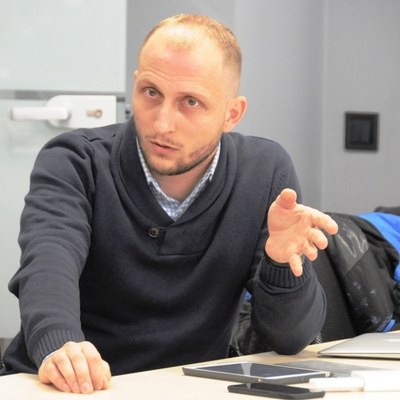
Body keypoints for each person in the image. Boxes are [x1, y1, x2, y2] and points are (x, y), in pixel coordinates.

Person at [0, 14, 338, 394]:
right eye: (151, 92)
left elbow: (291, 339)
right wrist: (59, 344)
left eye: (190, 102)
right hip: (63, 386)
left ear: (232, 114)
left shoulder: (265, 173)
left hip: (184, 390)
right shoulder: (74, 160)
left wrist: (281, 265)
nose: (162, 124)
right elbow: (48, 263)